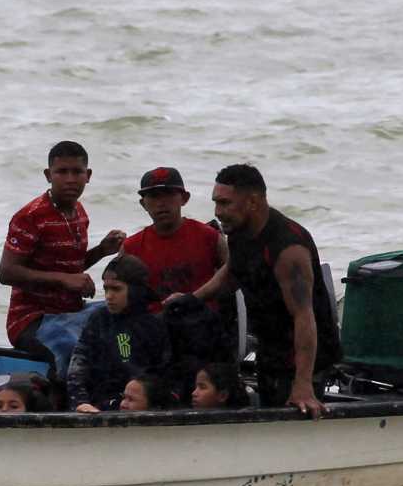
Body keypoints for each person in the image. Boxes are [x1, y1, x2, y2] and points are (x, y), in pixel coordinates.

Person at [194, 163, 343, 417]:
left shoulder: (288, 249)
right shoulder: (240, 230)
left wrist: (303, 384)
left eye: (225, 203)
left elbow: (304, 316)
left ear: (252, 201)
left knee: (292, 418)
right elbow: (232, 271)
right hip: (270, 350)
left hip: (304, 360)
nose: (218, 212)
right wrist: (191, 299)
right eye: (215, 203)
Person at [0, 140, 126, 371]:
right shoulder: (31, 216)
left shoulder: (79, 213)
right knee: (72, 348)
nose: (70, 179)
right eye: (62, 172)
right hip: (32, 320)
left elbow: (69, 266)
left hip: (72, 313)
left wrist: (101, 251)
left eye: (77, 172)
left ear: (88, 175)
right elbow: (6, 273)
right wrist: (64, 279)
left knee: (128, 312)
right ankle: (74, 402)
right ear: (48, 175)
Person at [69, 254, 172, 413]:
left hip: (141, 404)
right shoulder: (98, 320)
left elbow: (163, 372)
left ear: (135, 290)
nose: (109, 296)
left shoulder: (155, 326)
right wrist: (80, 401)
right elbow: (79, 363)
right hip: (100, 403)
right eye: (106, 289)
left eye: (116, 289)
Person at [119, 166, 228, 303]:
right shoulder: (131, 248)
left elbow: (234, 277)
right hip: (152, 322)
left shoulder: (210, 237)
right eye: (154, 196)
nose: (161, 203)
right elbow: (117, 291)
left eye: (168, 194)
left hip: (202, 320)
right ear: (143, 204)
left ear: (184, 198)